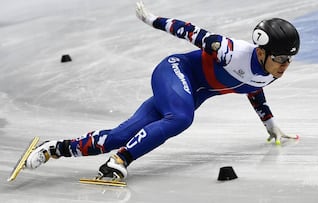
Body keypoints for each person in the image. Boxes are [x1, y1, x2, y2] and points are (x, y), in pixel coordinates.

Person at [25, 1, 300, 180]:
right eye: (280, 59)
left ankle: (55, 149)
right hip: (174, 71)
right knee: (182, 117)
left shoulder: (271, 72)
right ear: (261, 52)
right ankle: (120, 159)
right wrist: (152, 20)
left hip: (183, 94)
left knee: (120, 134)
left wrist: (270, 124)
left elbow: (254, 88)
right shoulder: (229, 50)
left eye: (289, 60)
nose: (285, 66)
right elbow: (190, 31)